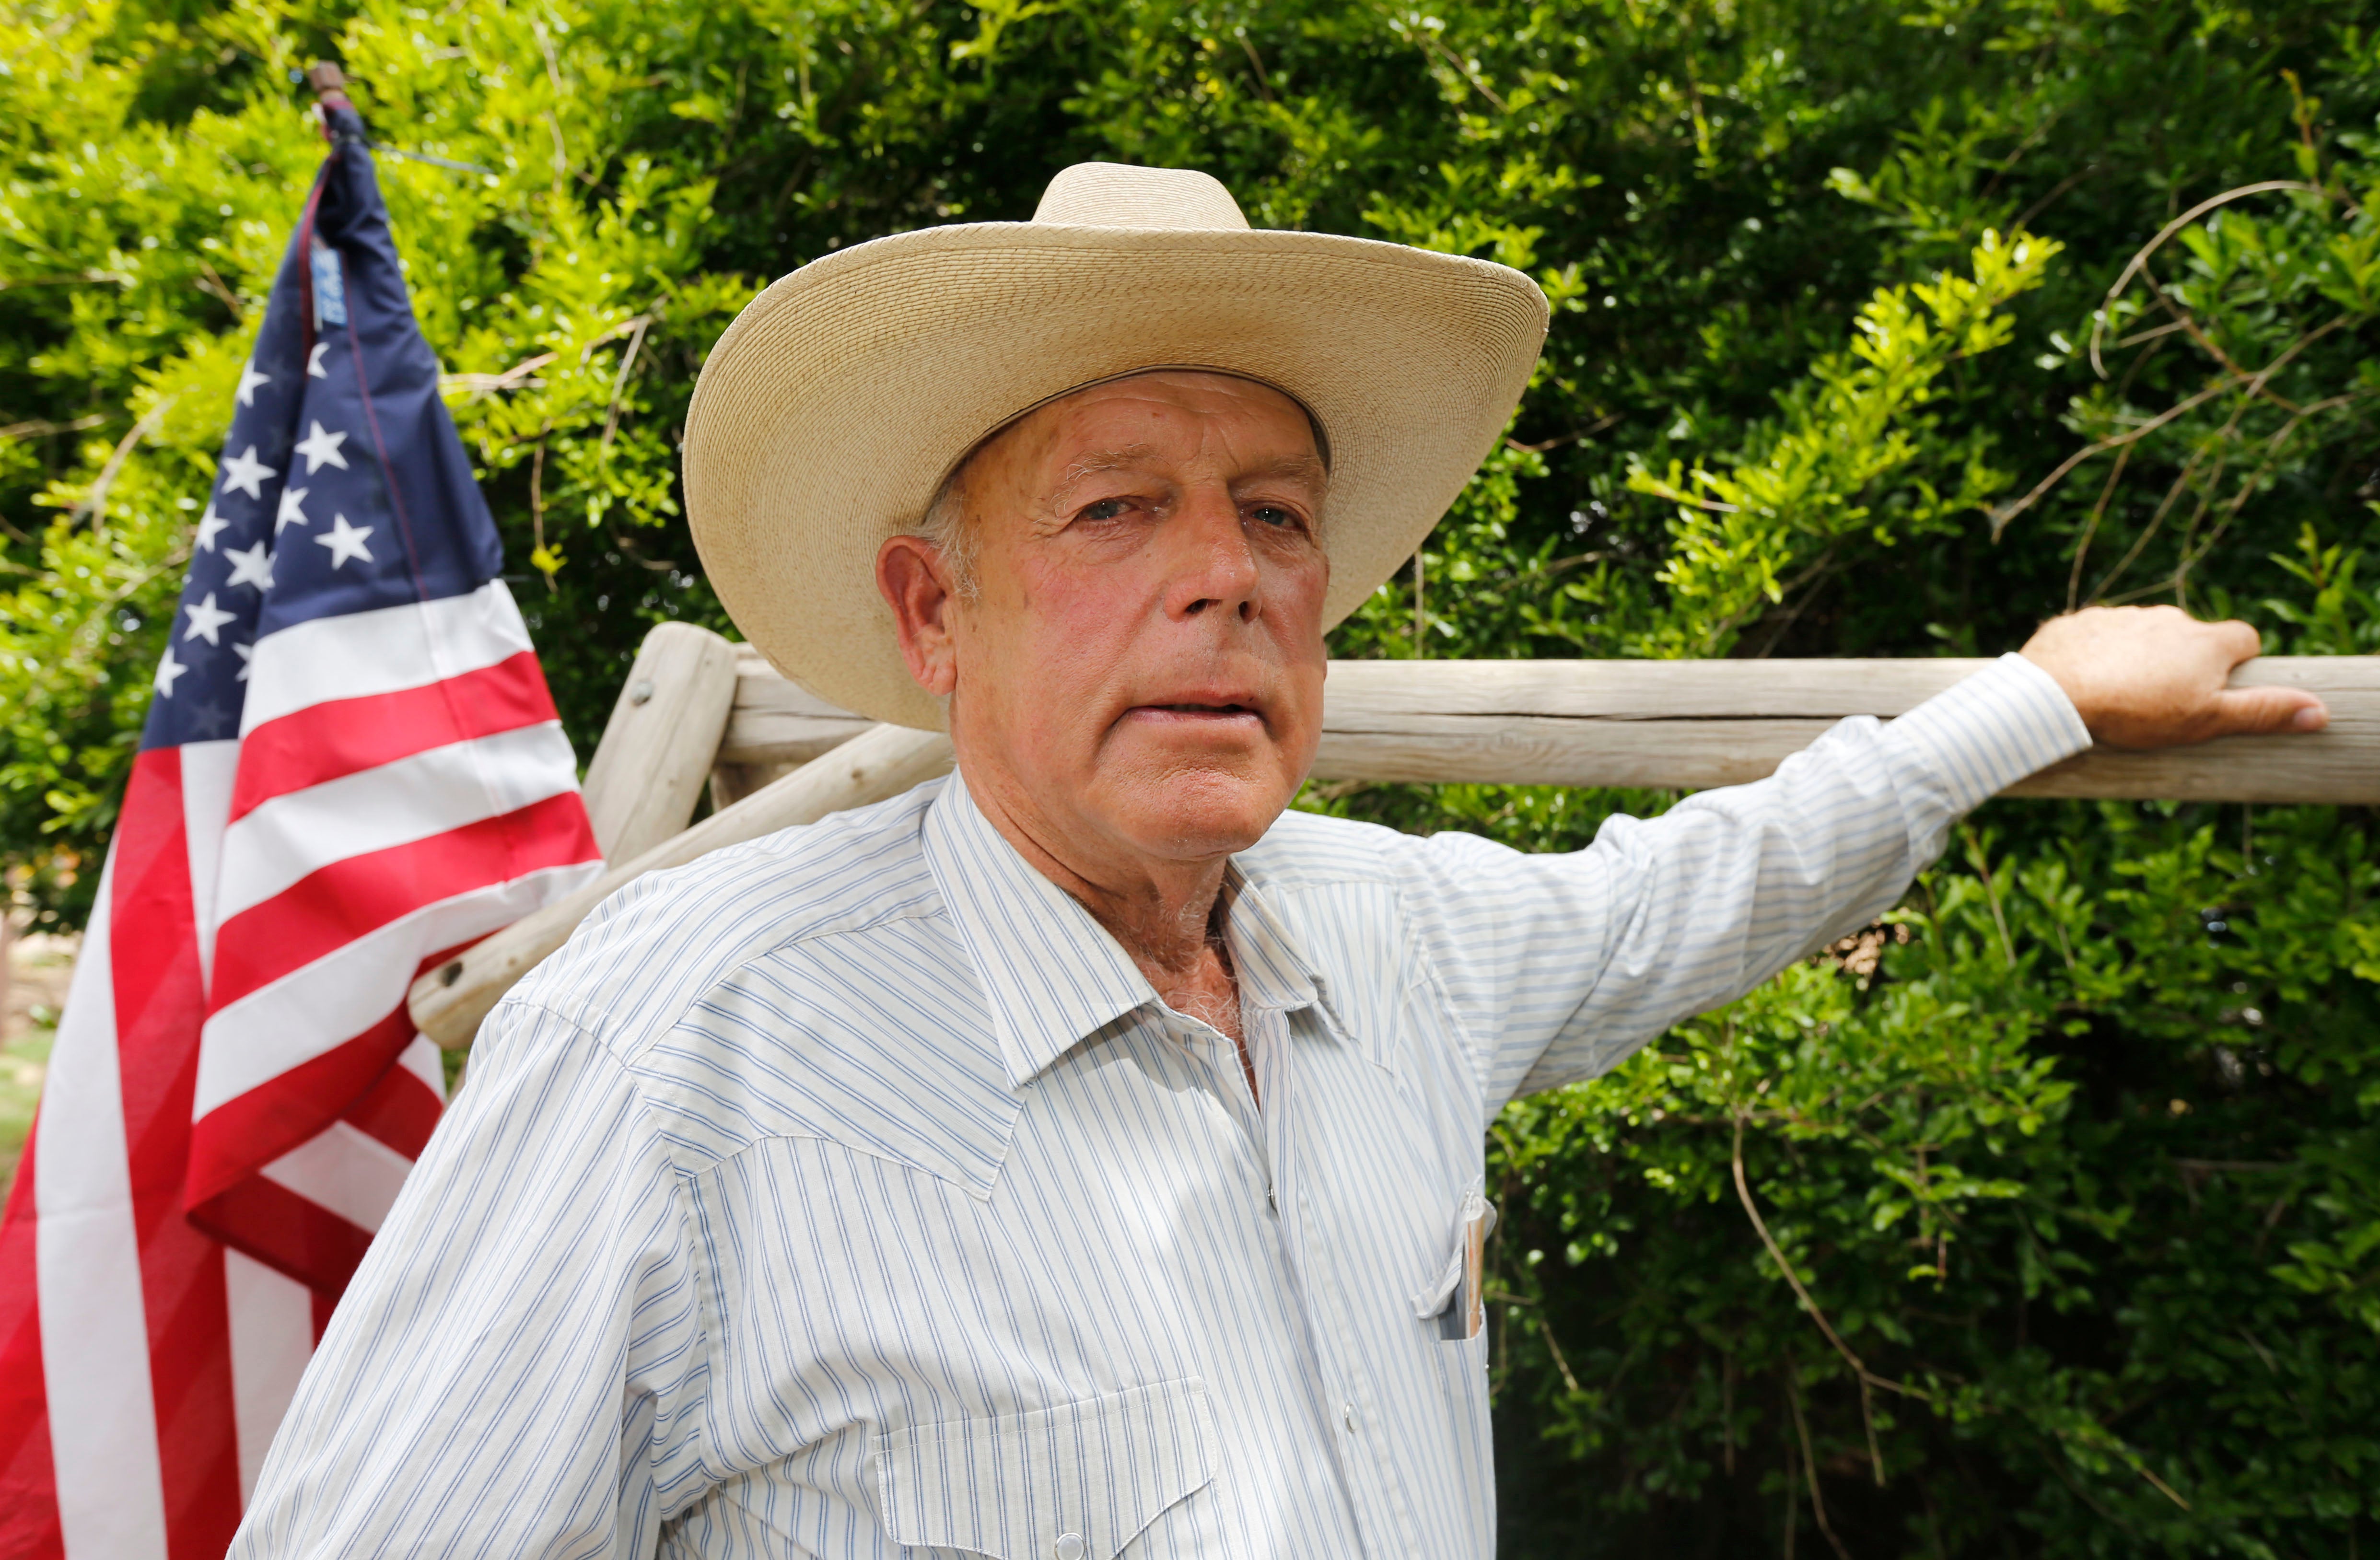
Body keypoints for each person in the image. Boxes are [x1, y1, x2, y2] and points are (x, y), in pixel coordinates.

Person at [232, 163, 2327, 1560]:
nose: (1224, 580)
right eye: (1115, 511)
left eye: (1271, 511)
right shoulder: (677, 1039)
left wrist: (2035, 699)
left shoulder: (1388, 935)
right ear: (928, 610)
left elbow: (1711, 877)